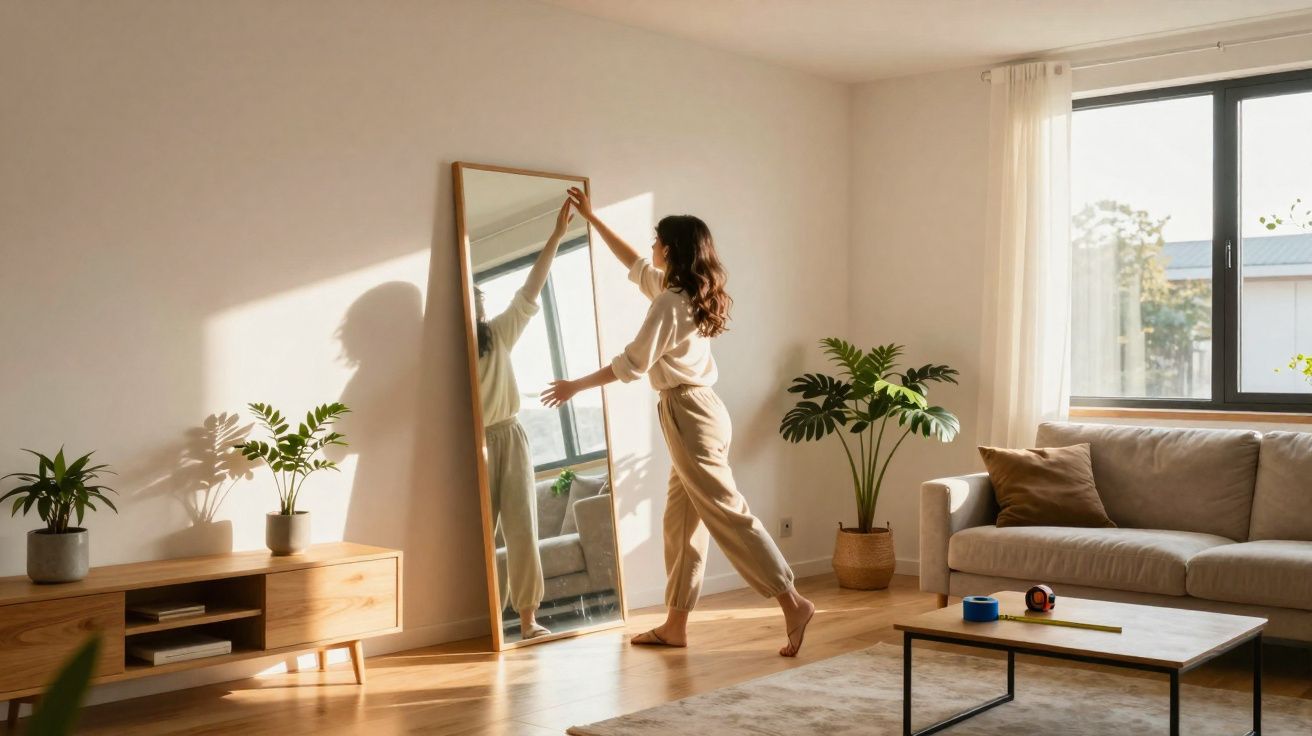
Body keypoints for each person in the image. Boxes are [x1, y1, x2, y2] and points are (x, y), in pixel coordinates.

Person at [541, 188, 816, 657]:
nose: (650, 248)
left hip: (688, 414)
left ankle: (792, 601)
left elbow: (631, 364)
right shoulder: (681, 293)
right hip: (696, 411)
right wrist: (592, 219)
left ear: (669, 248)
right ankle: (675, 624)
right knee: (681, 524)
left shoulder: (669, 304)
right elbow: (633, 265)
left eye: (655, 242)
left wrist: (574, 386)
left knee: (727, 513)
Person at [477, 198, 573, 640]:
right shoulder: (446, 354)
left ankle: (529, 621)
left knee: (521, 529)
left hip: (509, 437)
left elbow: (531, 290)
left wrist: (555, 236)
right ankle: (487, 624)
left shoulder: (496, 335)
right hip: (473, 445)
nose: (477, 313)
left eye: (478, 306)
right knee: (478, 538)